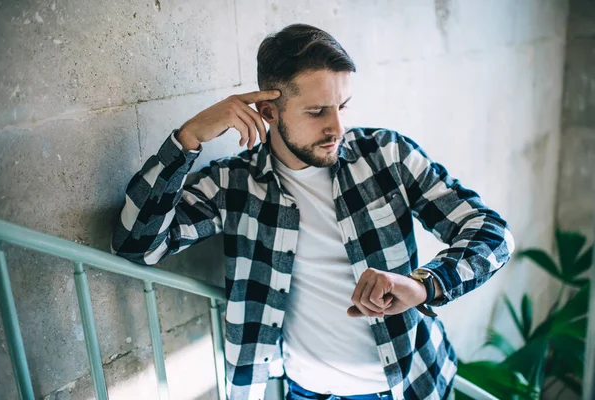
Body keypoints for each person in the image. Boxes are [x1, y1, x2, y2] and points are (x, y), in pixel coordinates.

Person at [111, 23, 515, 400]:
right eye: (317, 111)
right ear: (269, 112)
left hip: (407, 384)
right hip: (304, 391)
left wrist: (425, 285)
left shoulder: (386, 156)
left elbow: (491, 233)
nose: (336, 127)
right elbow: (136, 244)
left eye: (343, 106)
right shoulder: (233, 185)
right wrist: (188, 138)